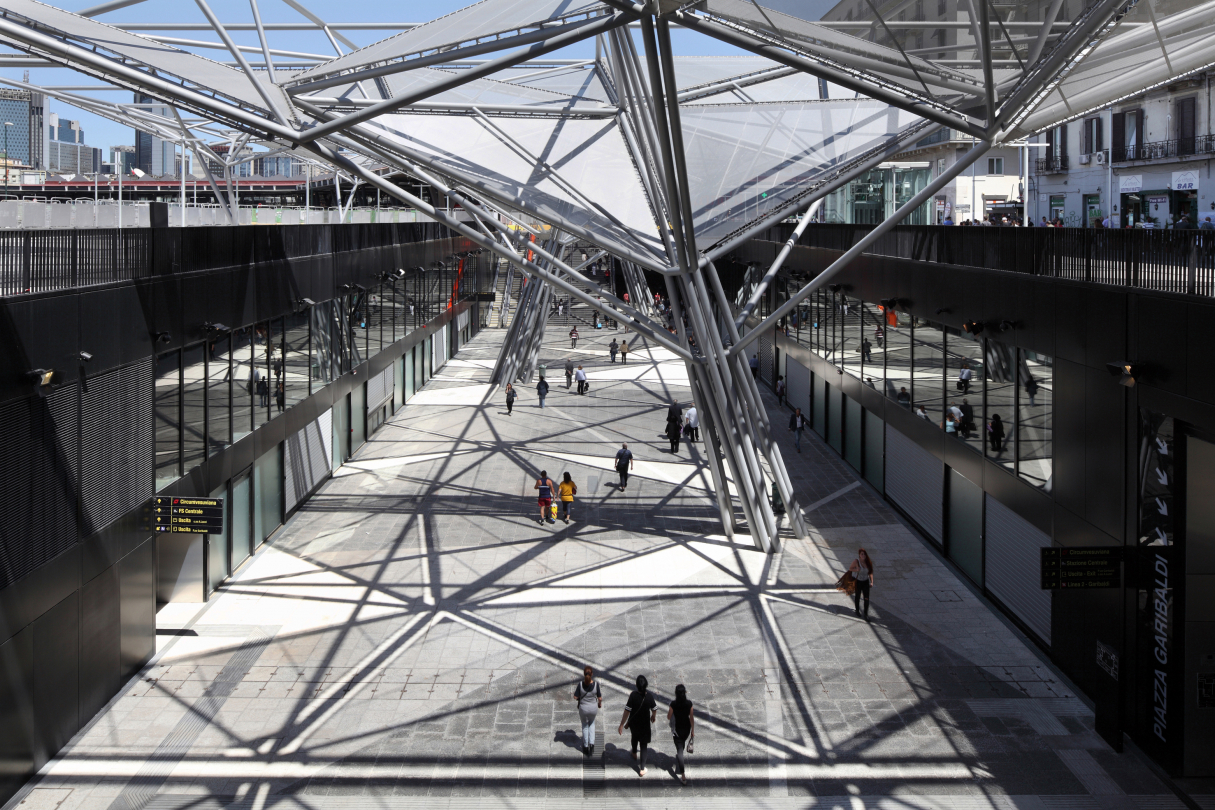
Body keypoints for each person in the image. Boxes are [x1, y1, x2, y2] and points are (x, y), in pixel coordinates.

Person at [619, 675, 657, 777]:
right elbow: (654, 708)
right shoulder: (649, 696)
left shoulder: (633, 695)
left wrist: (622, 724)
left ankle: (634, 752)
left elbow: (627, 711)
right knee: (643, 745)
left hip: (634, 724)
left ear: (636, 685)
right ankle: (642, 769)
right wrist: (653, 716)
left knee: (634, 737)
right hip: (644, 725)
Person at [668, 684, 694, 785]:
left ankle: (682, 775)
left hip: (677, 730)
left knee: (679, 750)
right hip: (687, 729)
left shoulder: (673, 704)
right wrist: (692, 731)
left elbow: (668, 716)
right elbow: (691, 718)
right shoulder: (689, 703)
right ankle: (680, 755)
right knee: (681, 745)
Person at [574, 666, 602, 756]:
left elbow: (575, 697)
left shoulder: (581, 684)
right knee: (592, 724)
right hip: (593, 709)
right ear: (592, 674)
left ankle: (585, 746)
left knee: (585, 726)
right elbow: (600, 698)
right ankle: (592, 744)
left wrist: (580, 697)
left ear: (584, 674)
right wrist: (599, 703)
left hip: (583, 709)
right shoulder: (596, 685)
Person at [848, 548, 874, 621]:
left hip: (865, 581)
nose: (863, 555)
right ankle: (857, 610)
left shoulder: (868, 562)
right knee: (858, 596)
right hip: (858, 581)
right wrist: (856, 569)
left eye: (864, 554)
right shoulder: (856, 561)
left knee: (866, 598)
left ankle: (865, 614)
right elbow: (850, 568)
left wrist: (871, 581)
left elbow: (870, 572)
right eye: (862, 554)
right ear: (859, 555)